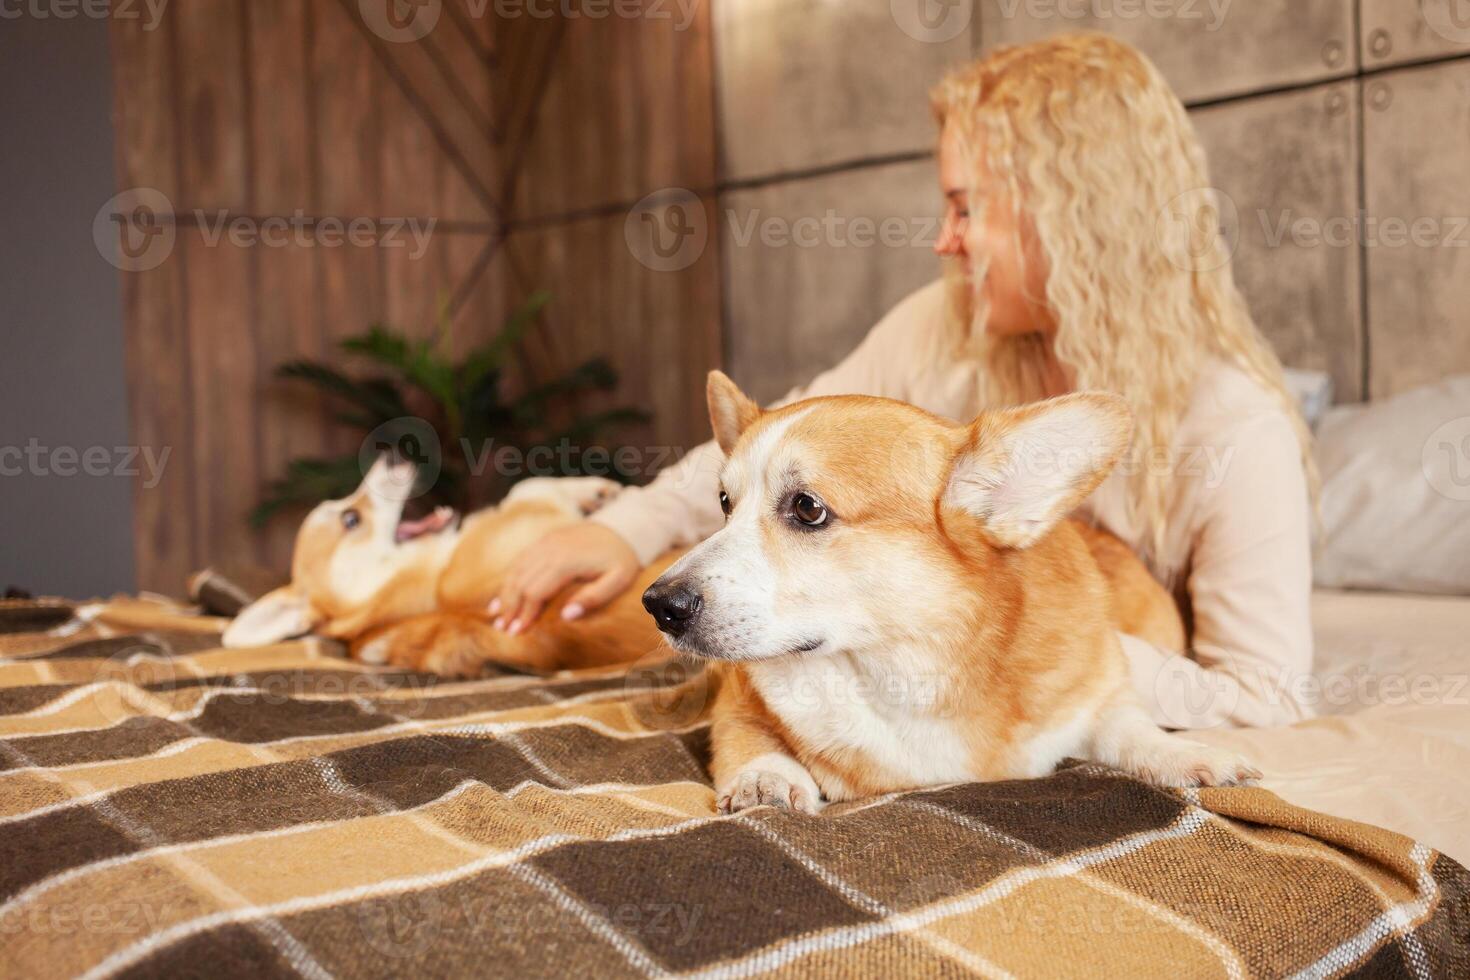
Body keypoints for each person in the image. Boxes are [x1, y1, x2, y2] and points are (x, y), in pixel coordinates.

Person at [489, 33, 1317, 729]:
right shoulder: (941, 324)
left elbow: (1264, 698)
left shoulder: (1236, 429)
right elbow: (778, 447)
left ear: (1067, 215)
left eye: (965, 208)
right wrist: (624, 530)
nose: (942, 240)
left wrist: (1040, 643)